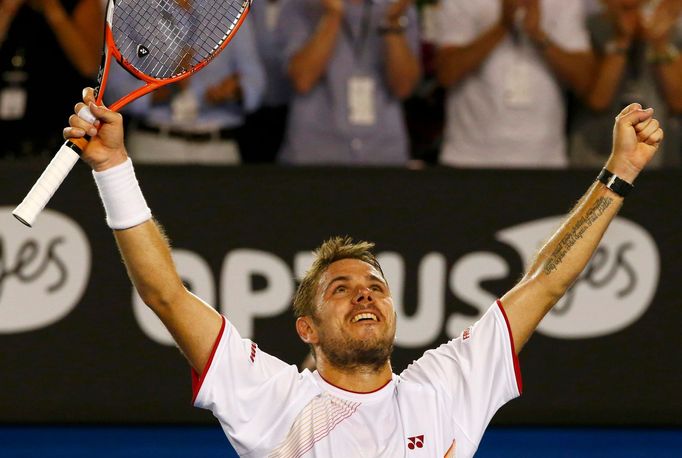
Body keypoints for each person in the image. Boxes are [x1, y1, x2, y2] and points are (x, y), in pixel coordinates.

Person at [65, 87, 662, 456]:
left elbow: (547, 280)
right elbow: (166, 295)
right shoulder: (275, 401)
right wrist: (114, 166)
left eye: (375, 285)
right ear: (307, 329)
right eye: (341, 289)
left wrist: (620, 169)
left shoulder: (445, 388)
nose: (364, 296)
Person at [435, 0, 595, 168]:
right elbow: (446, 73)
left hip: (544, 158)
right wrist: (502, 26)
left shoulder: (565, 3)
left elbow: (584, 81)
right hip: (469, 157)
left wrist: (538, 34)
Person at [103, 15, 265, 165]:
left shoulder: (232, 9)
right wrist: (167, 86)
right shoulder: (132, 9)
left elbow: (256, 82)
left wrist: (235, 91)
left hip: (217, 147)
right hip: (154, 144)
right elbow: (115, 92)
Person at [277, 0, 421, 165]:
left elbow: (404, 87)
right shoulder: (299, 6)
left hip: (383, 153)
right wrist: (333, 15)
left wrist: (392, 21)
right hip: (315, 153)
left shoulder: (398, 7)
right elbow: (303, 79)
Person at [569, 0, 682, 168]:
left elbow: (678, 102)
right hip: (596, 157)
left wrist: (659, 45)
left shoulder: (670, 34)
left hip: (658, 162)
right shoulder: (589, 29)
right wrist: (622, 40)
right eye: (626, 8)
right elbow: (599, 100)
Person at [0, 0, 102, 158]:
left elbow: (89, 66)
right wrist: (7, 10)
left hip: (57, 129)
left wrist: (52, 8)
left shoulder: (82, 3)